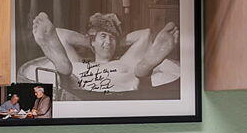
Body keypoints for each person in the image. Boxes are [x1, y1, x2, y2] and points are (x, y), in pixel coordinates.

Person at [19, 11, 180, 94]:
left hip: (125, 81)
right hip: (78, 80)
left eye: (112, 39)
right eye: (103, 37)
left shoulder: (124, 60)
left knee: (139, 76)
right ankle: (62, 68)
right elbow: (60, 34)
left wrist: (115, 39)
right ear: (93, 40)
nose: (108, 41)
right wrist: (90, 41)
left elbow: (145, 34)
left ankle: (145, 68)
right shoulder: (79, 61)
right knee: (68, 74)